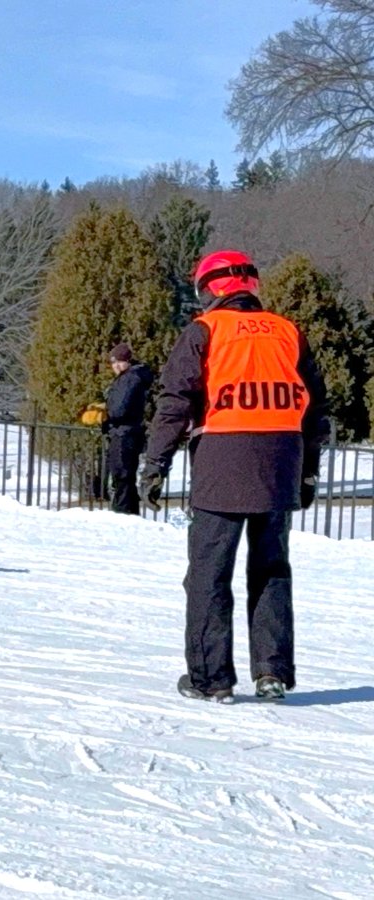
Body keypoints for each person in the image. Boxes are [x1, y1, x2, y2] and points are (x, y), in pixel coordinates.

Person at [140, 250, 329, 703]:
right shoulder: (288, 331)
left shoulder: (205, 330)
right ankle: (272, 674)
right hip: (281, 463)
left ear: (209, 289)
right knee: (271, 569)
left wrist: (155, 464)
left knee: (209, 573)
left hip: (222, 464)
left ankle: (211, 679)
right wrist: (308, 473)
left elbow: (175, 403)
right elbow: (315, 410)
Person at [103, 342, 153, 515]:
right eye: (113, 362)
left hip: (124, 433)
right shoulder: (129, 377)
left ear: (128, 361)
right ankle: (129, 512)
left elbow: (120, 408)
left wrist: (105, 414)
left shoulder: (130, 378)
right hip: (126, 431)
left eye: (119, 361)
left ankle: (123, 512)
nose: (116, 366)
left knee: (122, 475)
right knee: (125, 476)